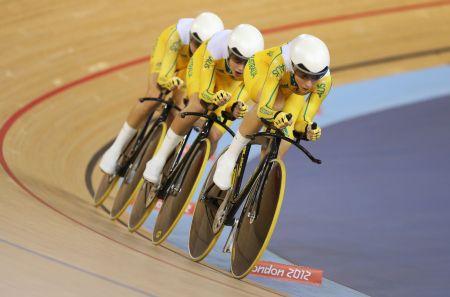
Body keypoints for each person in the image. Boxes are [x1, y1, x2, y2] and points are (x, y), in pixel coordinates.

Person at [99, 12, 224, 175]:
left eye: (204, 47)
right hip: (169, 57)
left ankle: (163, 158)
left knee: (180, 109)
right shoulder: (176, 36)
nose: (199, 50)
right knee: (155, 95)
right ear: (190, 37)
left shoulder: (214, 54)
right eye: (196, 44)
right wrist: (168, 82)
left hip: (189, 71)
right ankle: (116, 148)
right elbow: (165, 75)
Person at [143, 24, 265, 184]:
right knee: (197, 106)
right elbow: (205, 90)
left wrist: (234, 108)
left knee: (214, 135)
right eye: (237, 60)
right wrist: (211, 98)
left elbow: (240, 97)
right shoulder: (215, 47)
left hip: (230, 86)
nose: (241, 68)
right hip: (204, 69)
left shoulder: (258, 70)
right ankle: (159, 159)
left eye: (247, 63)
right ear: (228, 52)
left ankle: (188, 175)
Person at [212, 34, 332, 190]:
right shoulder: (280, 62)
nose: (309, 84)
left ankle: (260, 182)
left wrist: (307, 129)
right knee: (275, 104)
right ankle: (230, 156)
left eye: (315, 77)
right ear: (294, 66)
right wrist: (276, 116)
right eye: (303, 75)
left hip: (290, 90)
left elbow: (303, 120)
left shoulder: (324, 82)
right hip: (261, 72)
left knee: (286, 137)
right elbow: (264, 108)